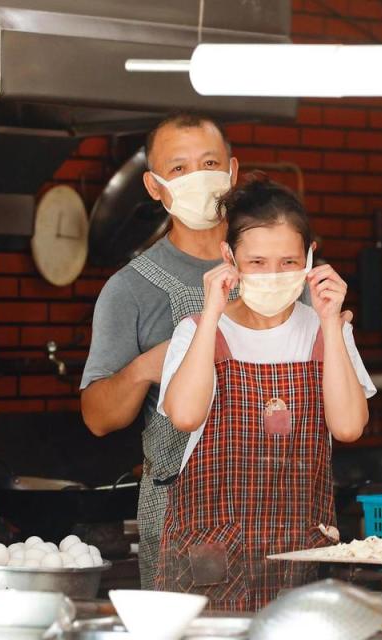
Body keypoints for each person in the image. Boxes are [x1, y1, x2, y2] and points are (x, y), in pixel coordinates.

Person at [155, 175, 376, 611]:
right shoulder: (198, 333)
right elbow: (184, 415)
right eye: (256, 262)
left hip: (299, 556)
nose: (273, 275)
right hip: (210, 562)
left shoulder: (325, 334)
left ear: (311, 258)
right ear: (228, 257)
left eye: (288, 262)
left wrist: (332, 323)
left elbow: (349, 427)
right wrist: (213, 311)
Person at [80, 112, 238, 589]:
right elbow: (97, 417)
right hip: (184, 519)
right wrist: (148, 367)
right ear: (154, 187)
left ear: (232, 173)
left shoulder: (279, 270)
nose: (197, 178)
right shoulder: (131, 289)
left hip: (281, 505)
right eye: (178, 169)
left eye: (209, 163)